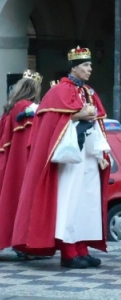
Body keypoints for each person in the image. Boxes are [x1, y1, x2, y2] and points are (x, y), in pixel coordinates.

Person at [11, 46, 110, 269]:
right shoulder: (58, 92)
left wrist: (101, 153)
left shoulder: (89, 92)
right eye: (86, 65)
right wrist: (76, 115)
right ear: (74, 68)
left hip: (88, 157)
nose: (90, 69)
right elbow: (50, 124)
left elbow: (97, 124)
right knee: (70, 202)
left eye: (90, 64)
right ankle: (69, 251)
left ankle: (82, 248)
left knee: (87, 204)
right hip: (69, 157)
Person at [0, 70, 42, 251]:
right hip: (18, 163)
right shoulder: (25, 107)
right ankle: (22, 245)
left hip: (6, 160)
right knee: (17, 202)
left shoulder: (10, 106)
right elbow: (27, 140)